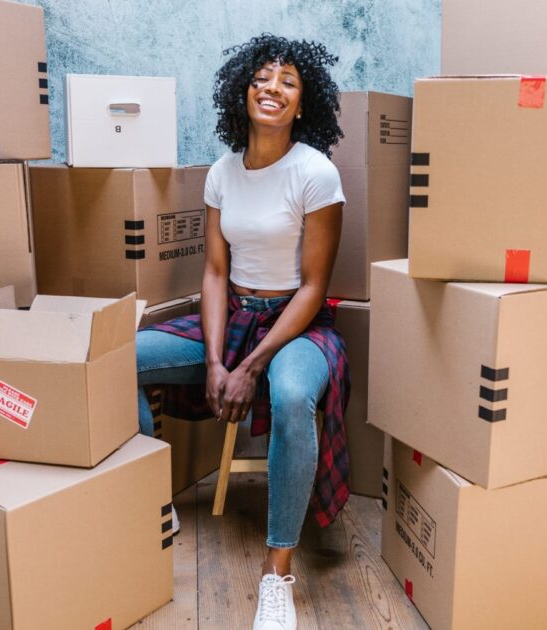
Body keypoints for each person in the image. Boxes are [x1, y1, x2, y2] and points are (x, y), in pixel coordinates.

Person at [135, 33, 350, 630]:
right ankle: (149, 505)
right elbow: (214, 270)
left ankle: (277, 574)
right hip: (232, 315)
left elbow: (312, 287)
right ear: (243, 90)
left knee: (289, 394)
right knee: (119, 358)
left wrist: (251, 365)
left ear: (304, 104)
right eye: (261, 77)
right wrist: (212, 363)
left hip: (297, 325)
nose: (271, 88)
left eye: (288, 82)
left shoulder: (316, 173)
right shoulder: (222, 173)